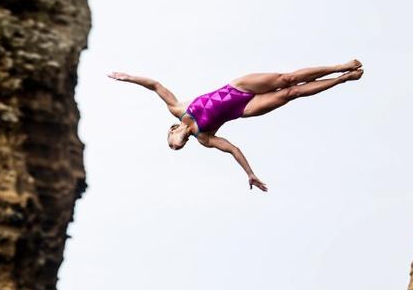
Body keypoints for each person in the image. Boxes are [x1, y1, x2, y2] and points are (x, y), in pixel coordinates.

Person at [107, 60, 365, 192]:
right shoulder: (204, 137)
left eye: (180, 138)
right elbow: (233, 149)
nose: (185, 138)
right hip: (244, 109)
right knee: (290, 93)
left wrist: (129, 78)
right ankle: (343, 79)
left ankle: (339, 66)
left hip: (238, 88)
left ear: (172, 130)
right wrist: (249, 173)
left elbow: (156, 86)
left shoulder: (177, 108)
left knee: (287, 79)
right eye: (184, 144)